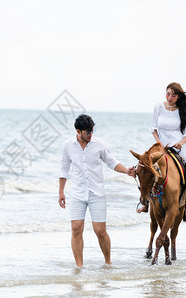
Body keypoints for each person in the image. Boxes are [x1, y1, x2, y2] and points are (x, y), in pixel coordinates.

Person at [59, 114, 135, 267]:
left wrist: (127, 171)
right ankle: (79, 266)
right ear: (78, 131)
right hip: (77, 193)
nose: (91, 134)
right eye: (87, 132)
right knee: (76, 228)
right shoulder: (68, 145)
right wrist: (61, 192)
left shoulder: (99, 144)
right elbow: (64, 168)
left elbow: (111, 162)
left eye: (92, 131)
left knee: (100, 231)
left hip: (97, 193)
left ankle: (108, 262)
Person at [137, 82, 186, 213]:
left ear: (178, 96)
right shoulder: (158, 107)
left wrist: (180, 143)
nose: (169, 97)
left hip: (178, 145)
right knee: (143, 167)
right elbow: (153, 128)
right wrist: (159, 143)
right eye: (168, 94)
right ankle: (145, 202)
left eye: (173, 95)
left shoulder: (182, 110)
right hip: (161, 146)